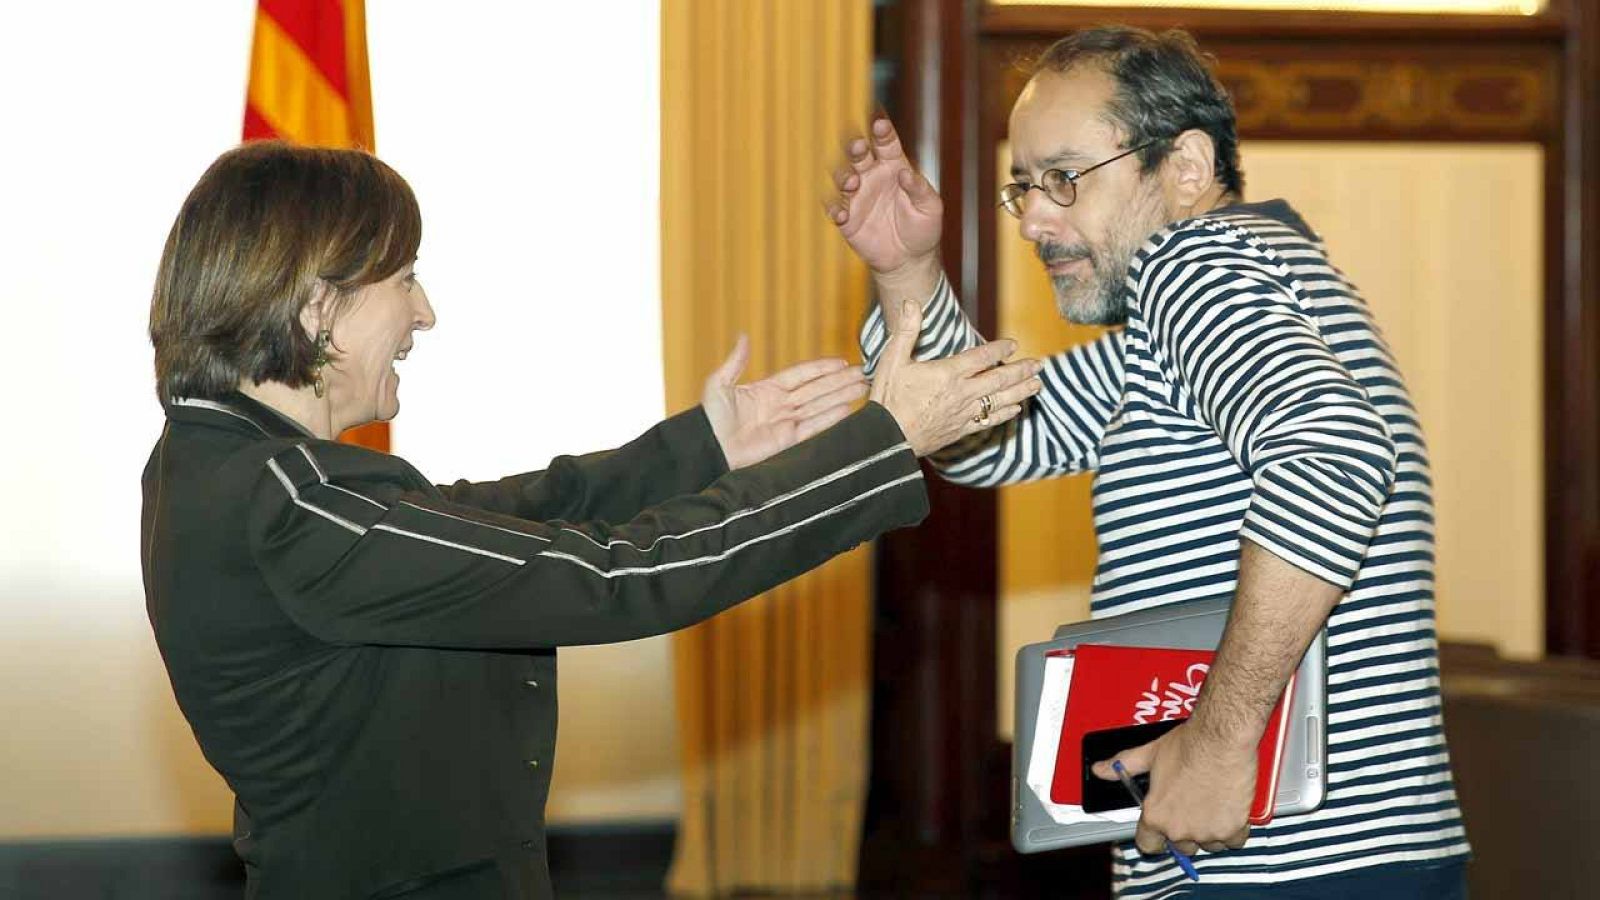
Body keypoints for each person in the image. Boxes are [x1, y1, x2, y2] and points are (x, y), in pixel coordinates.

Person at [141, 141, 1043, 899]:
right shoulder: (289, 499)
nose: (424, 312)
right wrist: (880, 446)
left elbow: (503, 518)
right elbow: (611, 576)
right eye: (404, 280)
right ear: (318, 306)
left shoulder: (237, 467)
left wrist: (708, 446)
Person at [828, 25, 1469, 899]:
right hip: (1342, 858)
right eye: (1024, 188)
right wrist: (907, 273)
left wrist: (1217, 738)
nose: (1036, 219)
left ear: (1187, 168)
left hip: (1286, 865)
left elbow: (1334, 454)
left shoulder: (1197, 267)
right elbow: (989, 436)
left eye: (1065, 179)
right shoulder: (1240, 292)